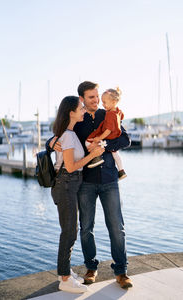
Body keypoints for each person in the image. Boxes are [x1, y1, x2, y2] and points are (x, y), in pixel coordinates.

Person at [46, 81, 133, 289]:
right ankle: (91, 267)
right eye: (91, 97)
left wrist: (104, 146)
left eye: (97, 96)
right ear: (82, 99)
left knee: (117, 227)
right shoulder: (79, 119)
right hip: (85, 182)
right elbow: (61, 133)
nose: (96, 101)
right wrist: (49, 142)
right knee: (86, 228)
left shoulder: (108, 114)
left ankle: (121, 271)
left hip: (110, 179)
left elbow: (126, 140)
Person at [50, 95, 104, 294]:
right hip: (66, 185)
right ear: (71, 113)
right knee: (69, 232)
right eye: (81, 108)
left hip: (68, 185)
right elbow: (71, 167)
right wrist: (92, 155)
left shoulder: (67, 133)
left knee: (69, 230)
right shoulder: (68, 135)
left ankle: (64, 272)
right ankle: (64, 279)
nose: (83, 110)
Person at [85, 87, 127, 180]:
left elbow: (108, 130)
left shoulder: (109, 114)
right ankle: (121, 170)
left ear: (113, 102)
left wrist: (99, 138)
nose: (102, 104)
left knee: (88, 142)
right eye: (91, 97)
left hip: (108, 136)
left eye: (104, 102)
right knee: (115, 153)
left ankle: (97, 158)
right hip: (115, 136)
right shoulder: (117, 111)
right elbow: (122, 116)